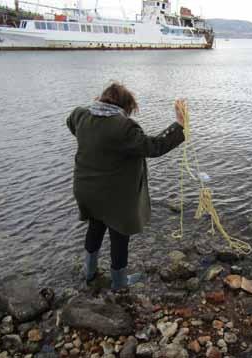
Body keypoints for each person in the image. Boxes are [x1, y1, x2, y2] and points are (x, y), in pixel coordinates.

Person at [66, 82, 186, 290]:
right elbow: (154, 147)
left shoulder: (80, 115)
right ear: (125, 105)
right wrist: (179, 124)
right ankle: (119, 282)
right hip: (114, 197)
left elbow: (72, 125)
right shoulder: (124, 127)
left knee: (95, 227)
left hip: (86, 190)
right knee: (119, 235)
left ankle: (89, 272)